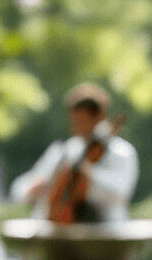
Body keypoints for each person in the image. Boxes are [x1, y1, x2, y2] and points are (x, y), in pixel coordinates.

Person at [9, 83, 139, 223]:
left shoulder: (121, 152)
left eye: (84, 121)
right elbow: (19, 190)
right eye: (75, 120)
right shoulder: (63, 150)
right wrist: (34, 188)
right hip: (59, 231)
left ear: (100, 117)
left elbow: (121, 192)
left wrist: (85, 171)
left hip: (105, 231)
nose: (78, 126)